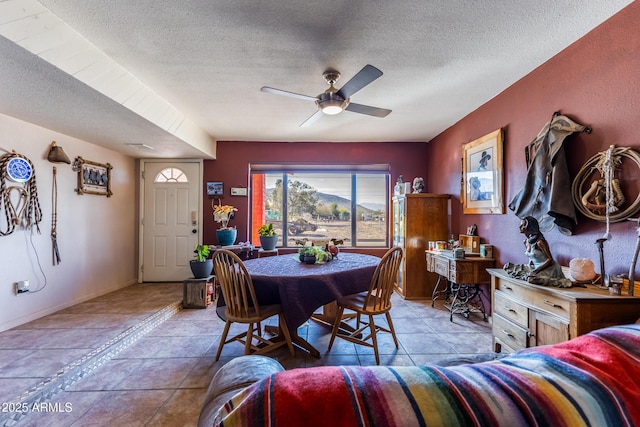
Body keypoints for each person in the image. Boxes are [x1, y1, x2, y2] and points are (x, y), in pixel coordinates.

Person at [504, 216, 573, 287]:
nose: (520, 227)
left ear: (529, 227)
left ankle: (563, 282)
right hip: (534, 267)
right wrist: (529, 268)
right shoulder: (526, 241)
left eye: (523, 225)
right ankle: (527, 275)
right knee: (508, 267)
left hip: (548, 268)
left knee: (531, 280)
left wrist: (536, 271)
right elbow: (531, 258)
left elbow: (550, 259)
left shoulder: (540, 242)